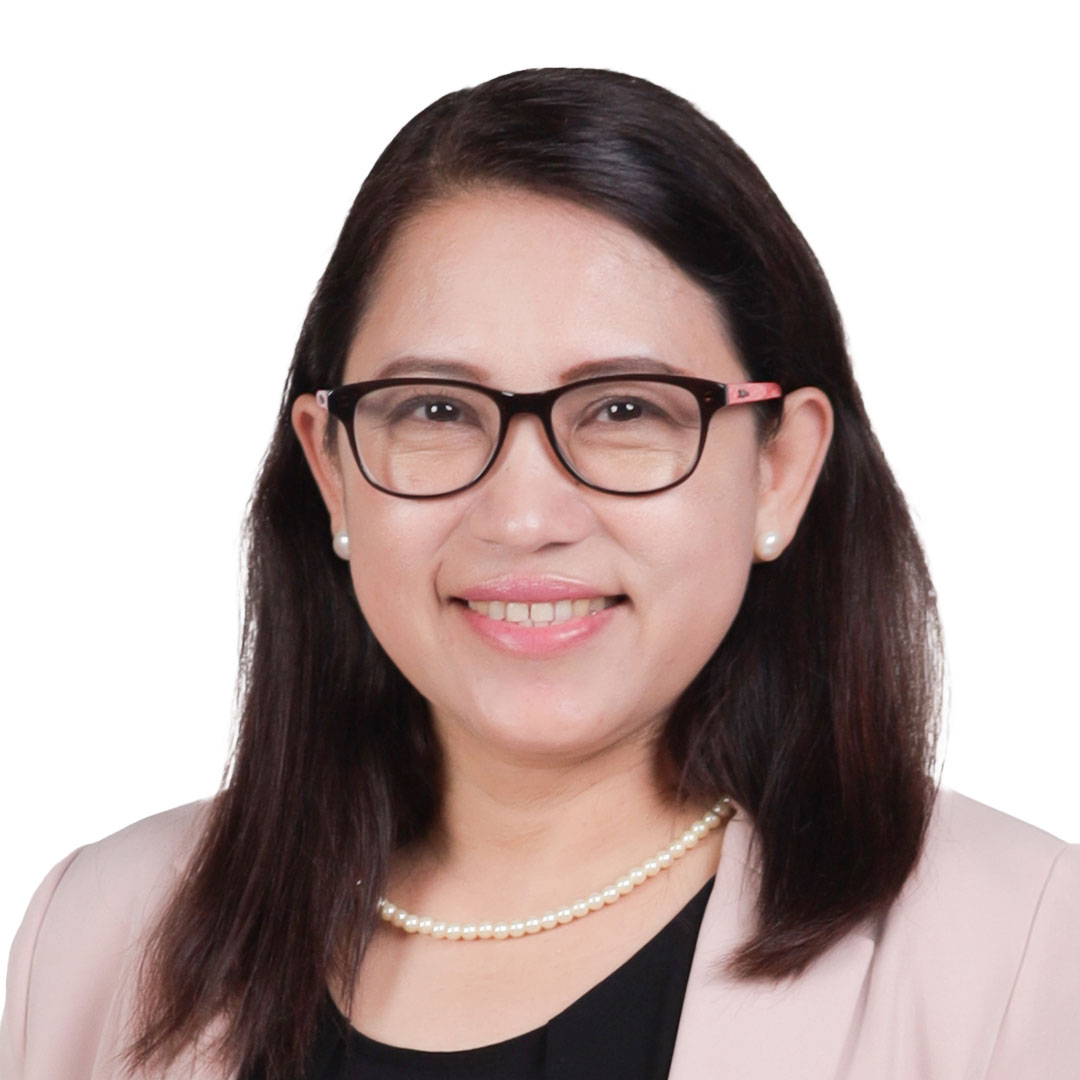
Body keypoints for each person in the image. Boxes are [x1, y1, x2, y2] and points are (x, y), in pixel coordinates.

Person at [2, 67, 1077, 1080]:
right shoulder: (100, 933)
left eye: (625, 408)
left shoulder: (1026, 949)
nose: (522, 518)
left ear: (779, 470)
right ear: (331, 471)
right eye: (435, 409)